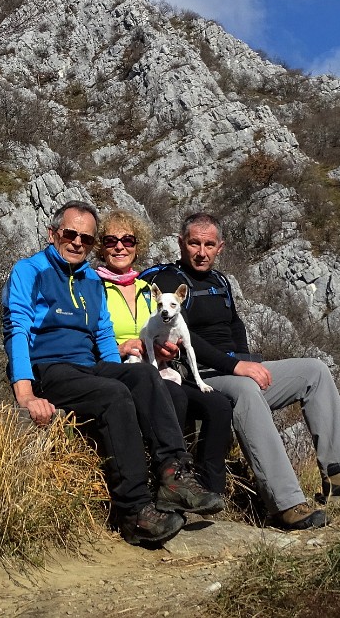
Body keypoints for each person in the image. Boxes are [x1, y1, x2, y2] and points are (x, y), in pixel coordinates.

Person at [2, 201, 224, 546]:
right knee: (114, 395)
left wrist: (120, 373)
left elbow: (104, 335)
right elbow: (16, 328)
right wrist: (26, 393)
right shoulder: (29, 271)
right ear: (53, 233)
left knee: (144, 377)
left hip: (88, 366)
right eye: (70, 234)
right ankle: (134, 512)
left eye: (87, 239)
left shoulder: (91, 278)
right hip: (50, 368)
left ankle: (172, 476)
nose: (78, 243)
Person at [141, 212, 340, 530]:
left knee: (314, 371)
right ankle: (287, 503)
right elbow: (184, 336)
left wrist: (247, 360)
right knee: (247, 391)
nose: (201, 252)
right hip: (201, 377)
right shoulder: (167, 280)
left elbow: (234, 325)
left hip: (236, 368)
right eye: (194, 243)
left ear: (220, 247)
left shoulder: (220, 281)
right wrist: (237, 367)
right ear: (181, 243)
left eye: (209, 245)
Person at [93, 209, 234, 496]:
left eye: (128, 240)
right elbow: (86, 338)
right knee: (175, 396)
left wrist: (166, 349)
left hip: (157, 367)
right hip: (120, 368)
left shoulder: (149, 289)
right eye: (110, 241)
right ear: (101, 247)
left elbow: (167, 327)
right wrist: (119, 349)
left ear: (137, 246)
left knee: (218, 406)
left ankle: (210, 492)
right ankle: (170, 483)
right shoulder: (93, 287)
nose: (120, 246)